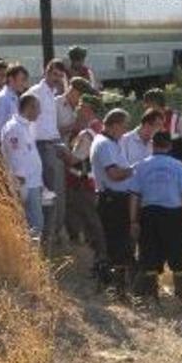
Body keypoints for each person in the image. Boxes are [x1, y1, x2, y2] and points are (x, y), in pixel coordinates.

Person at [128, 131, 182, 300]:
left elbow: (134, 196)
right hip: (173, 214)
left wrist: (133, 221)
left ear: (153, 145)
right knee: (177, 255)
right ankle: (180, 298)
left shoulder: (141, 166)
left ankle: (152, 297)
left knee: (149, 254)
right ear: (170, 146)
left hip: (149, 214)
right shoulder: (179, 166)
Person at [91, 108, 135, 296]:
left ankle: (115, 286)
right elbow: (114, 174)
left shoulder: (113, 143)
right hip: (112, 199)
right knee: (117, 244)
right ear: (115, 125)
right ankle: (115, 288)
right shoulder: (104, 145)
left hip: (118, 199)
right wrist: (133, 170)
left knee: (119, 243)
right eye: (123, 127)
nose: (125, 131)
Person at [65, 96, 107, 275]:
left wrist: (59, 149)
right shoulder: (102, 129)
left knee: (91, 224)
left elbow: (74, 158)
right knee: (95, 223)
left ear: (88, 109)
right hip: (97, 183)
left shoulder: (87, 134)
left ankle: (100, 261)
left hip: (83, 186)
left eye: (81, 106)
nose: (77, 108)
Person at [29, 60, 70, 242]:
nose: (57, 79)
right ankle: (48, 232)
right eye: (54, 75)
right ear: (46, 73)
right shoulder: (36, 93)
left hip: (54, 144)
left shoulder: (52, 93)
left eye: (60, 76)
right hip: (43, 145)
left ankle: (55, 230)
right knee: (51, 191)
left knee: (58, 190)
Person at [1, 93, 44, 238]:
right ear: (30, 108)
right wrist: (21, 187)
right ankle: (31, 258)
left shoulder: (26, 126)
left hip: (33, 182)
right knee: (34, 225)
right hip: (25, 184)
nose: (40, 112)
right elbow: (16, 157)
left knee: (36, 225)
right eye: (38, 108)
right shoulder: (15, 128)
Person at [143, 88, 182, 162]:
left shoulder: (177, 119)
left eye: (147, 104)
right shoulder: (148, 120)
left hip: (177, 165)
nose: (144, 107)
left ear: (154, 103)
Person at [0, 63, 30, 143]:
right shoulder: (2, 98)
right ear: (11, 79)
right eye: (22, 79)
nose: (24, 84)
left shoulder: (15, 98)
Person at [56, 76, 94, 143]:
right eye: (80, 95)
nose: (81, 99)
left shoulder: (80, 107)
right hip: (59, 148)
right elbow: (49, 133)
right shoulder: (56, 104)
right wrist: (72, 128)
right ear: (72, 90)